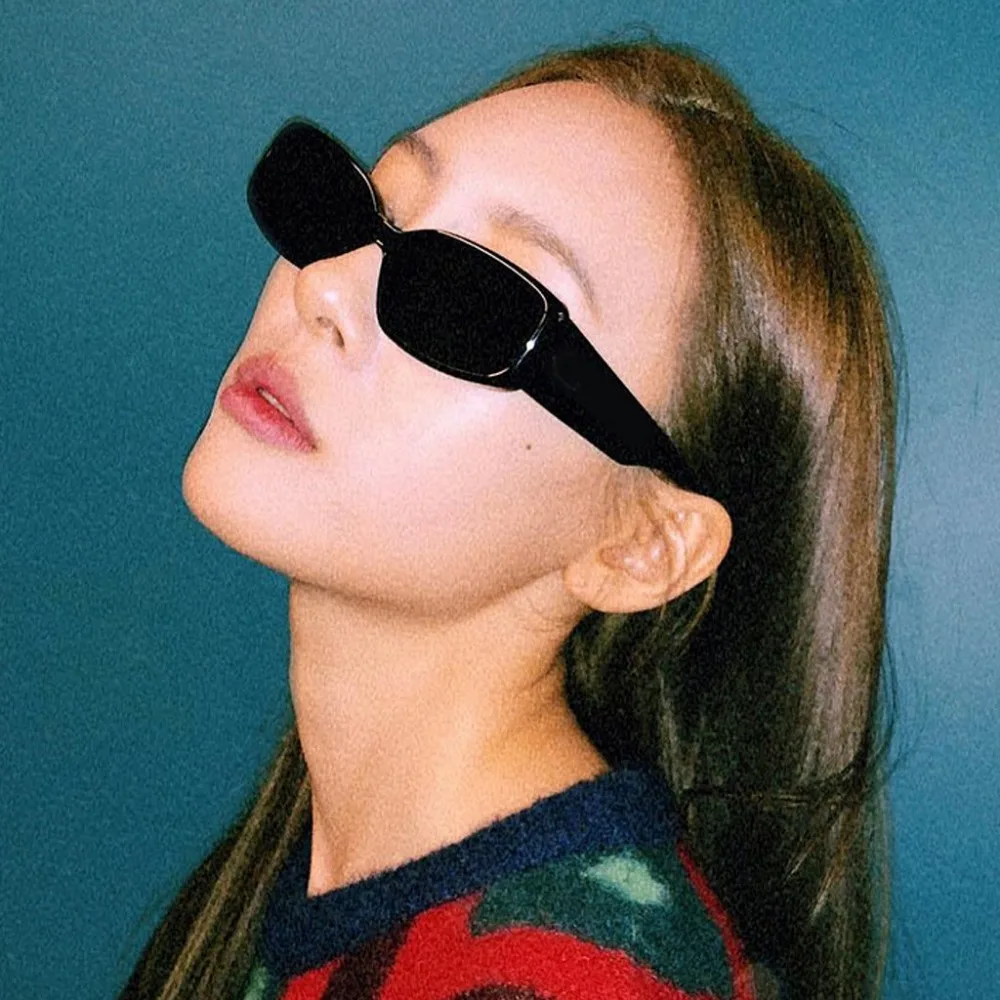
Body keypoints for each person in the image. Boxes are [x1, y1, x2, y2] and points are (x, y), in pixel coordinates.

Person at [119, 35, 897, 1000]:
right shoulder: (315, 889)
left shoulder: (576, 980)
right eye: (360, 207)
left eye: (476, 302)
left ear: (642, 545)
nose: (323, 285)